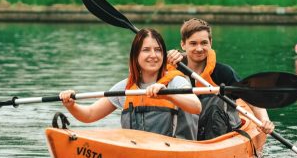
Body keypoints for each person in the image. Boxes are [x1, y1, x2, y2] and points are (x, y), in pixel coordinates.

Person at [60, 28, 202, 139]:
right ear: (135, 56)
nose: (153, 55)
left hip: (172, 153)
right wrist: (71, 105)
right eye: (146, 50)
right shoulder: (125, 87)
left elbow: (196, 107)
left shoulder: (176, 82)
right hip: (137, 150)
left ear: (163, 55)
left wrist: (168, 95)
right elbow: (89, 115)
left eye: (158, 50)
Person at [167, 18, 275, 140]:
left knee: (215, 105)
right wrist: (167, 55)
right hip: (188, 132)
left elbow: (250, 96)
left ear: (210, 43)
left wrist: (264, 120)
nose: (199, 48)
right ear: (183, 44)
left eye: (204, 43)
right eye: (193, 43)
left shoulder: (223, 72)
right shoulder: (174, 70)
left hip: (222, 132)